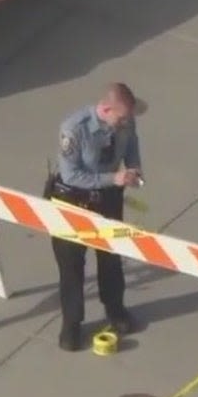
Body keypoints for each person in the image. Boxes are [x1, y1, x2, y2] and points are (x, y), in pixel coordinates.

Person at [49, 83, 143, 351]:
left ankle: (115, 310)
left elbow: (132, 147)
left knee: (111, 257)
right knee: (71, 264)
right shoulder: (74, 129)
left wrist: (135, 170)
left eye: (128, 119)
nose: (125, 123)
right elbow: (71, 175)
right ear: (105, 109)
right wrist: (114, 178)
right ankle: (72, 324)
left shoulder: (126, 123)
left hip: (108, 199)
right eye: (121, 118)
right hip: (73, 200)